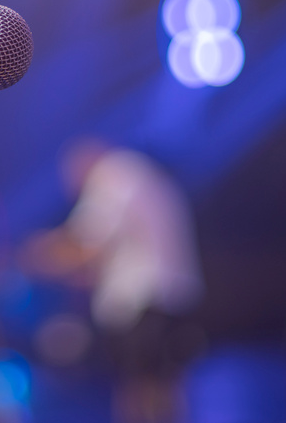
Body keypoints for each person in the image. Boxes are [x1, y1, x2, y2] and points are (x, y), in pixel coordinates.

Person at [20, 139, 205, 423]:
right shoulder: (140, 174)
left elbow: (87, 246)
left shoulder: (111, 177)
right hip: (168, 296)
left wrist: (38, 255)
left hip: (142, 301)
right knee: (164, 386)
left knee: (141, 390)